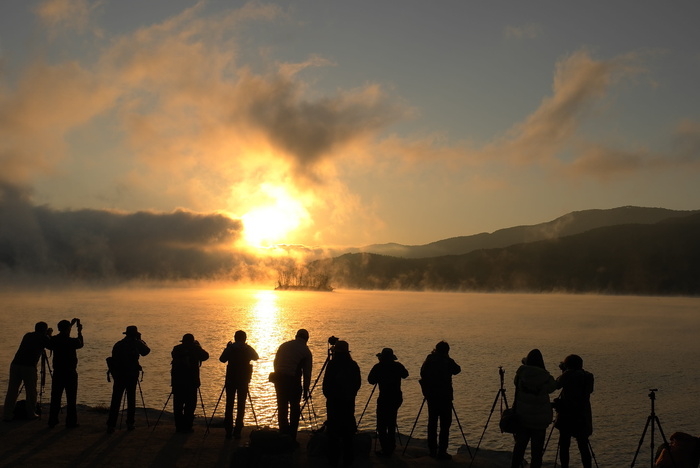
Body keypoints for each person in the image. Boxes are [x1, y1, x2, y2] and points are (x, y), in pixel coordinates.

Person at [510, 349, 557, 468]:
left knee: (519, 448)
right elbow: (553, 387)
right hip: (539, 421)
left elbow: (516, 383)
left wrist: (526, 366)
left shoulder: (521, 375)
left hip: (522, 418)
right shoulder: (545, 376)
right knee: (537, 453)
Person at [322, 340, 361, 467]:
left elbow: (325, 386)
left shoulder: (332, 365)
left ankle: (333, 460)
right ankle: (348, 460)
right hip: (348, 403)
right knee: (347, 434)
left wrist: (331, 397)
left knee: (333, 433)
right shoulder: (353, 365)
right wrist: (351, 395)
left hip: (334, 403)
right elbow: (357, 384)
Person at [419, 341, 461, 460]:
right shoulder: (447, 361)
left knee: (432, 424)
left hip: (432, 396)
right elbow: (457, 370)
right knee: (445, 425)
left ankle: (432, 450)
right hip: (445, 397)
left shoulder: (430, 359)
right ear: (446, 351)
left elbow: (422, 373)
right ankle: (442, 451)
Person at [3, 321, 52, 421]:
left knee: (12, 390)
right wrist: (49, 335)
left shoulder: (27, 335)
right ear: (44, 330)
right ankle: (31, 413)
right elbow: (50, 345)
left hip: (15, 364)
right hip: (28, 367)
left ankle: (7, 414)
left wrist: (46, 335)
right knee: (31, 391)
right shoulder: (43, 337)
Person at [106, 325, 150, 432]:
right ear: (135, 334)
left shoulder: (118, 344)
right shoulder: (136, 343)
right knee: (131, 399)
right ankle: (130, 423)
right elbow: (146, 351)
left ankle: (111, 425)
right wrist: (140, 340)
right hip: (131, 375)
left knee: (116, 400)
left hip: (119, 375)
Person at [554, 354, 594, 468]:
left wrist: (564, 371)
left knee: (564, 445)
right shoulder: (588, 376)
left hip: (567, 415)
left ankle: (564, 466)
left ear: (568, 365)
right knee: (583, 446)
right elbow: (589, 390)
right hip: (583, 415)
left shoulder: (568, 374)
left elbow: (557, 385)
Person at [272, 328, 313, 441]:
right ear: (306, 339)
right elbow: (307, 373)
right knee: (294, 409)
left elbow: (275, 363)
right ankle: (291, 437)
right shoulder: (306, 351)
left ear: (296, 336)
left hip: (279, 379)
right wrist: (306, 390)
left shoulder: (284, 345)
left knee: (282, 407)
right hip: (293, 382)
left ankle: (283, 434)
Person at [367, 347, 409, 457]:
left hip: (384, 397)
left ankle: (386, 448)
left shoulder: (379, 367)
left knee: (381, 424)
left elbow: (371, 380)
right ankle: (391, 445)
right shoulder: (397, 366)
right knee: (391, 421)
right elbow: (405, 374)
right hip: (396, 397)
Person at [219, 330, 259, 439]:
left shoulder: (231, 348)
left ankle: (228, 430)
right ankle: (238, 430)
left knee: (229, 404)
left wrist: (227, 348)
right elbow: (256, 357)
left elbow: (222, 359)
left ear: (235, 338)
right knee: (241, 405)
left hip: (231, 379)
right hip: (243, 380)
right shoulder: (247, 348)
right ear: (245, 338)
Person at [47, 319, 84, 428]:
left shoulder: (54, 340)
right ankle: (71, 422)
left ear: (58, 328)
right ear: (68, 329)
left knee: (55, 398)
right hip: (70, 373)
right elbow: (80, 343)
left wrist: (48, 334)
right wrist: (79, 331)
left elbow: (49, 341)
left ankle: (52, 421)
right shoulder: (72, 341)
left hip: (58, 372)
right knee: (71, 399)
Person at [171, 333, 209, 433]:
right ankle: (188, 426)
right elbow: (206, 356)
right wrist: (198, 347)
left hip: (178, 382)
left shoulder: (177, 349)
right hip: (192, 382)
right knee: (190, 405)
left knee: (178, 405)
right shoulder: (196, 349)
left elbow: (173, 355)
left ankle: (179, 427)